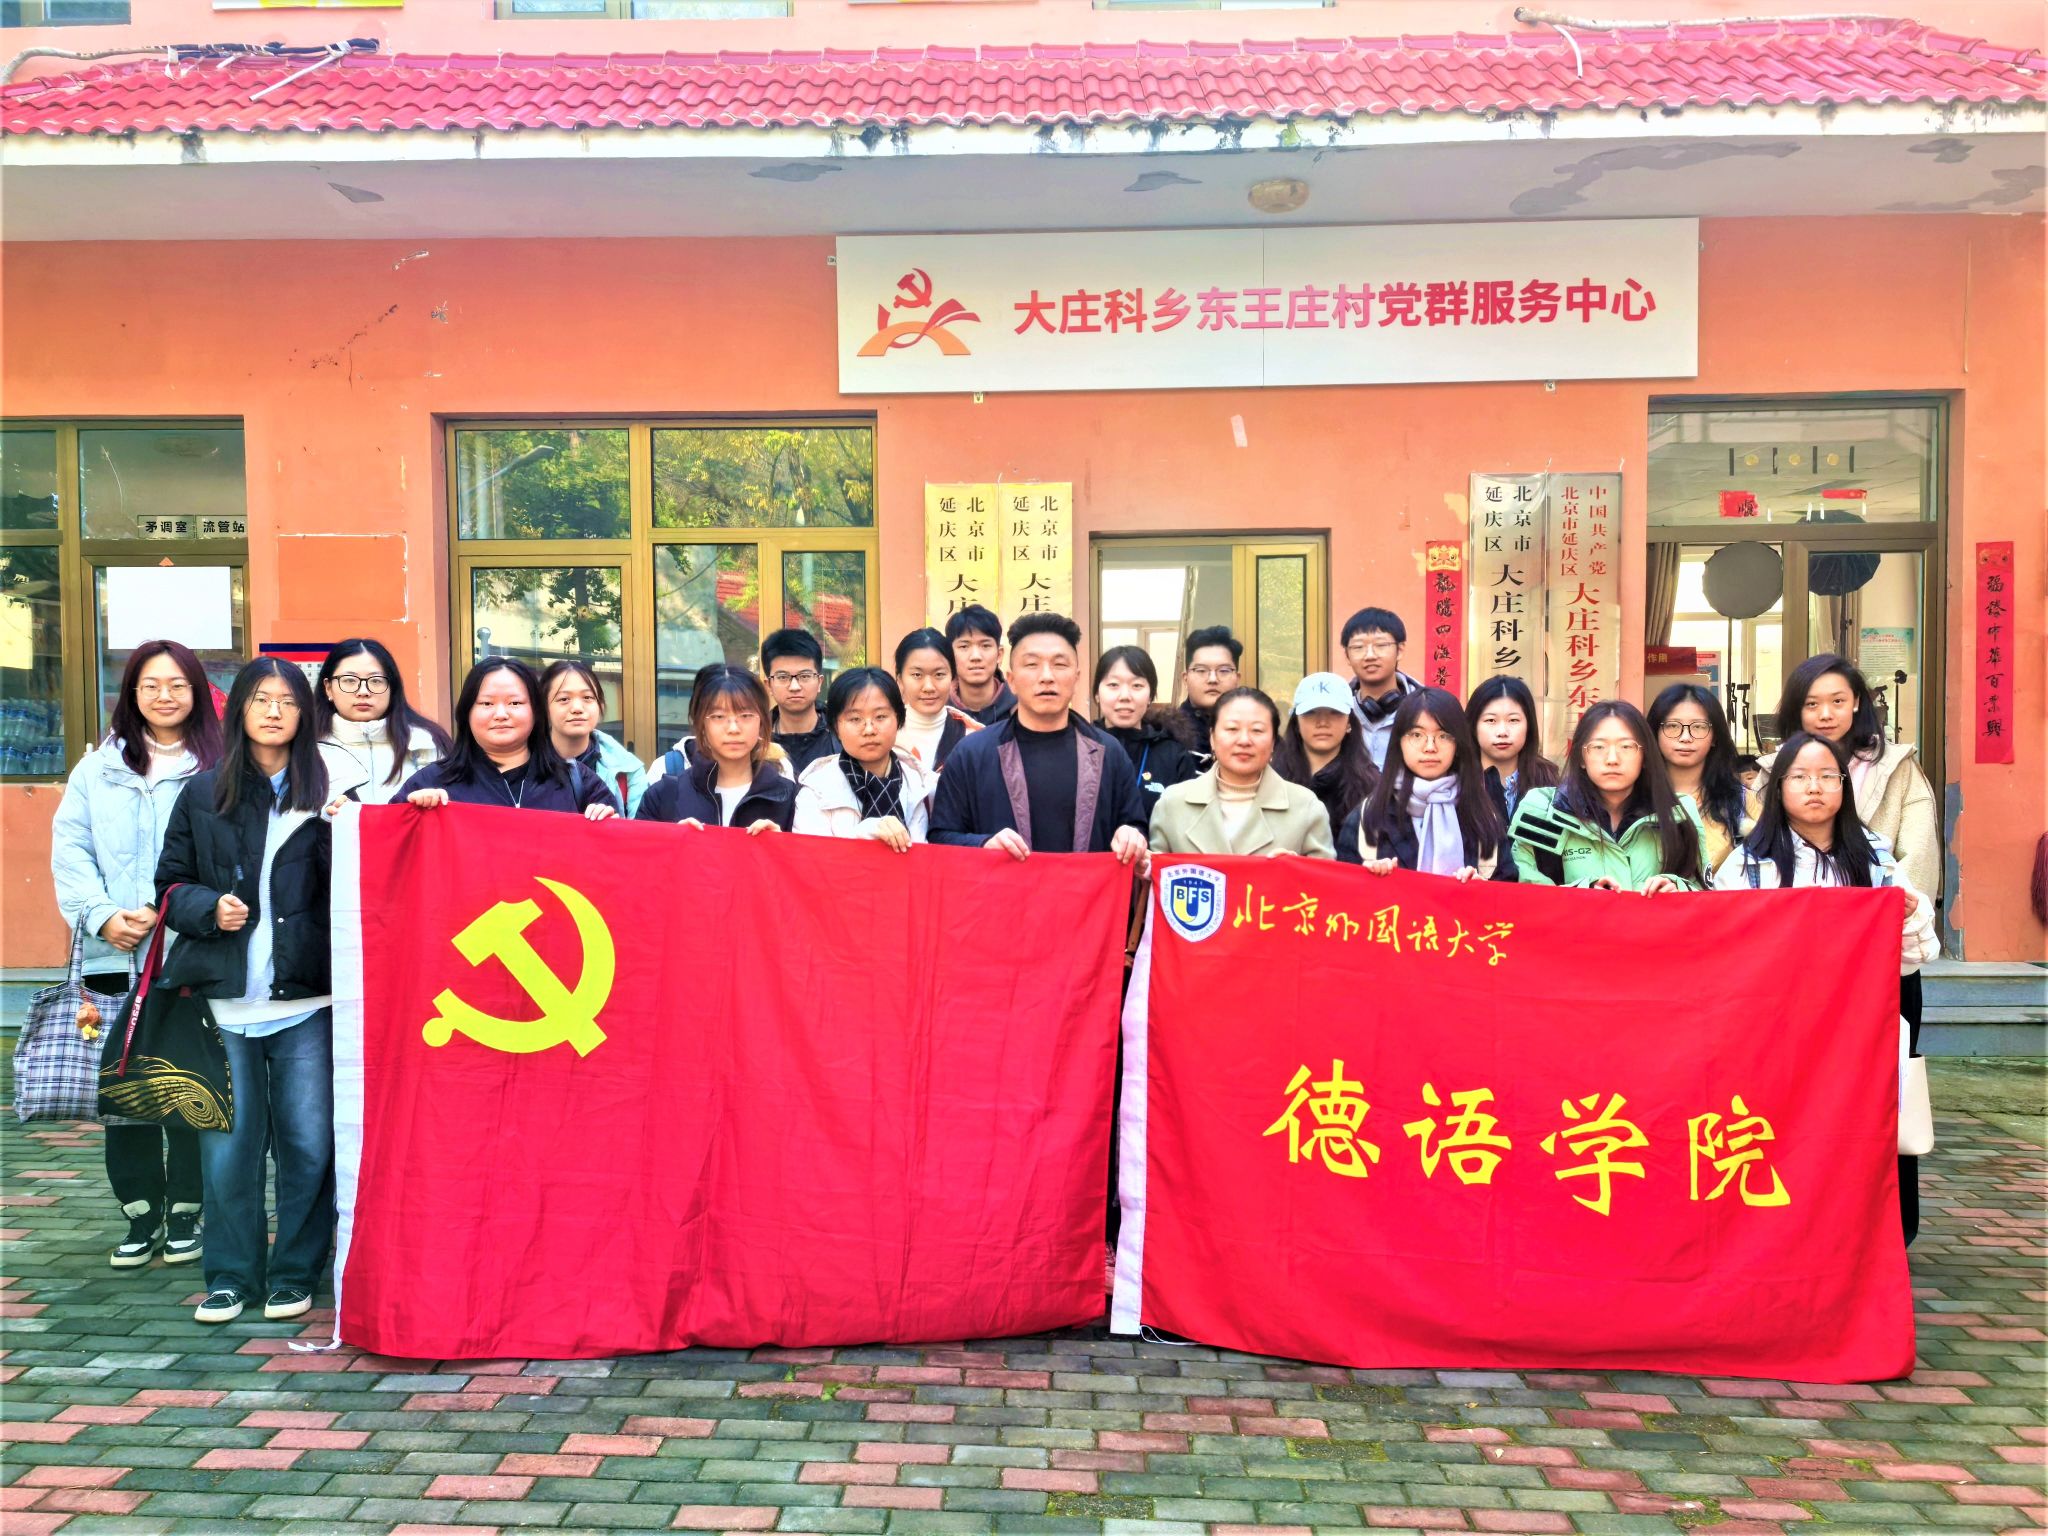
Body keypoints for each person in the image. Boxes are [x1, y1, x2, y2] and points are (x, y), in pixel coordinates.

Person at [153, 658, 334, 1326]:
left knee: (308, 1145)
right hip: (225, 1000)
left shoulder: (331, 793)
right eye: (260, 698)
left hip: (307, 1000)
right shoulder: (203, 792)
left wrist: (343, 829)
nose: (273, 710)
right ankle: (230, 1277)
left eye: (287, 700)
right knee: (228, 1147)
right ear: (239, 711)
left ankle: (295, 1273)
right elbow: (170, 884)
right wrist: (208, 908)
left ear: (305, 714)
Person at [1715, 729, 1940, 1246]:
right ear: (1779, 788)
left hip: (1854, 1037)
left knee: (1851, 1144)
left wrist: (1907, 915)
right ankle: (1780, 1243)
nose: (1814, 787)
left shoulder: (1876, 858)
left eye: (1826, 776)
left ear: (1844, 785)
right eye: (1799, 777)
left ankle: (1856, 1248)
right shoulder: (1748, 862)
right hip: (1774, 1036)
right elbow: (1725, 949)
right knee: (1782, 1140)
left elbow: (1914, 958)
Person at [51, 640, 222, 1272]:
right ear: (131, 694)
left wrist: (173, 909)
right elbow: (70, 850)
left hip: (187, 950)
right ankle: (140, 1212)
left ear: (197, 692)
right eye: (150, 685)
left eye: (177, 684)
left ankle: (186, 1210)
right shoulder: (97, 769)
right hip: (111, 951)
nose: (164, 696)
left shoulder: (219, 767)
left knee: (184, 1078)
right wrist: (101, 914)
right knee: (121, 1084)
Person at [1763, 653, 1943, 1243]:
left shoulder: (1898, 770)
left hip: (1877, 976)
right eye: (1812, 703)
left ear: (1858, 704)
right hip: (1792, 996)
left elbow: (1916, 861)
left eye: (1837, 701)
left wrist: (1899, 908)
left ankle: (1885, 1234)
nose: (1825, 713)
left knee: (1880, 1102)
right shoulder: (1765, 779)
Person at [928, 613, 1149, 868]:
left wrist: (1131, 836)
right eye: (1032, 664)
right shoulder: (972, 754)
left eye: (1059, 664)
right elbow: (940, 837)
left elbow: (1135, 826)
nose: (1047, 676)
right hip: (1002, 893)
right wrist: (983, 844)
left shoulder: (1108, 752)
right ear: (1011, 680)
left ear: (1077, 678)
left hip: (1086, 894)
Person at [1510, 700, 1704, 893]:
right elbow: (1525, 893)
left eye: (1626, 747)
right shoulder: (1543, 810)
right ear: (1581, 757)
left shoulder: (1677, 812)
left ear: (1644, 756)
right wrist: (1585, 892)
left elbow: (1705, 891)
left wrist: (1677, 888)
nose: (1612, 759)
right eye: (1598, 747)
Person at [398, 658, 619, 819]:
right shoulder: (432, 782)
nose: (501, 714)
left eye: (515, 703)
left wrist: (607, 823)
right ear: (467, 712)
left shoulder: (577, 781)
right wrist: (412, 813)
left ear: (536, 711)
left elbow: (616, 855)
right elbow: (390, 844)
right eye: (487, 703)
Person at [1337, 688, 1509, 880]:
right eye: (1417, 735)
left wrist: (1482, 889)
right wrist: (1370, 880)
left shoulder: (1483, 817)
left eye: (1443, 736)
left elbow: (1509, 887)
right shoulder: (1368, 817)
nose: (1430, 747)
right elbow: (1341, 889)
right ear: (1399, 742)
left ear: (1459, 744)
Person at [1148, 687, 1334, 859]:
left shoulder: (1306, 808)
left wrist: (1295, 870)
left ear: (1273, 742)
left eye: (1257, 730)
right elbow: (1154, 876)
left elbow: (1324, 879)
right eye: (1232, 729)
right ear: (1212, 737)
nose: (1244, 740)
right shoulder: (1172, 805)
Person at [636, 664, 796, 832]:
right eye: (719, 716)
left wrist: (780, 844)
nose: (733, 728)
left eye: (746, 716)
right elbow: (636, 847)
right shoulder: (664, 796)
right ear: (701, 723)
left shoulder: (787, 797)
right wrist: (671, 842)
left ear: (761, 721)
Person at [793, 667, 938, 849]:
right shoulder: (816, 791)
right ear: (836, 726)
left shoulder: (922, 786)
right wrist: (866, 832)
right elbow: (811, 859)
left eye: (880, 716)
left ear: (898, 719)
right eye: (855, 719)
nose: (869, 729)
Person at [314, 637, 450, 806]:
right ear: (328, 688)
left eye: (376, 681)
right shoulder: (307, 747)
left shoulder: (427, 743)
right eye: (349, 680)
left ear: (391, 687)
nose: (363, 691)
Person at [1648, 683, 1749, 877]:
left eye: (1699, 727)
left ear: (1715, 737)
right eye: (1672, 726)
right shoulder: (1634, 798)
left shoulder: (1743, 801)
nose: (1685, 737)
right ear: (1654, 733)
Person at [1274, 671, 1377, 845]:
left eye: (1334, 712)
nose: (1322, 722)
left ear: (1349, 722)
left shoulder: (1372, 786)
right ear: (1296, 722)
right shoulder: (1271, 779)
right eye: (1311, 712)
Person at [1092, 644, 1200, 810]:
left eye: (1137, 685)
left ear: (1150, 695)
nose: (1125, 696)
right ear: (1097, 694)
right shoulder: (1080, 747)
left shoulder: (1173, 755)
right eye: (1113, 685)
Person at [540, 658, 647, 817]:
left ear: (600, 705)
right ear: (544, 708)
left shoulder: (629, 772)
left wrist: (614, 826)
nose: (577, 708)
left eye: (587, 698)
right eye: (564, 699)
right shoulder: (521, 764)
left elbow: (641, 830)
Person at [1466, 674, 1559, 829]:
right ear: (1473, 725)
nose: (1502, 732)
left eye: (1513, 720)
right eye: (1491, 720)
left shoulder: (1549, 782)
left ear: (1529, 725)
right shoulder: (1458, 784)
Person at [1340, 606, 1423, 767]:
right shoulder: (1338, 711)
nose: (1370, 655)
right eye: (1358, 647)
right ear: (1347, 656)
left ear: (1400, 650)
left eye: (1381, 645)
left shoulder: (1427, 708)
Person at [893, 627, 982, 772]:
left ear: (953, 679)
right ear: (900, 680)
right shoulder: (881, 735)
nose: (928, 687)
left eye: (939, 674)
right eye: (917, 675)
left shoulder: (977, 737)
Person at [760, 628, 836, 774]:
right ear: (768, 685)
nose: (794, 687)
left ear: (819, 682)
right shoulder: (755, 739)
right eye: (783, 677)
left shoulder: (841, 735)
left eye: (805, 676)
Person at [1174, 625, 1241, 766]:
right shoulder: (1167, 733)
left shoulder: (1255, 733)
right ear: (1185, 678)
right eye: (1201, 670)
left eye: (1224, 670)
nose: (1212, 679)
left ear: (1237, 678)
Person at [945, 605, 1016, 726]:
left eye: (985, 646)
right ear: (949, 655)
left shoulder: (1020, 709)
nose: (975, 656)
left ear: (999, 655)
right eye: (964, 646)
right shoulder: (938, 710)